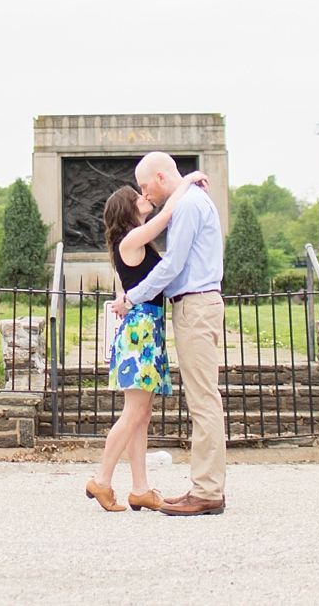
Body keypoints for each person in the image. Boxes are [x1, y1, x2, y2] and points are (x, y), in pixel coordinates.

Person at [113, 150, 226, 515]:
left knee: (203, 401)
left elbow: (173, 265)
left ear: (161, 177)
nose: (145, 194)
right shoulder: (187, 202)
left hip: (196, 305)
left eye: (146, 185)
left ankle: (207, 492)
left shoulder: (189, 206)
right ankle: (203, 486)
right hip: (192, 305)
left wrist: (133, 297)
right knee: (201, 399)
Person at [83, 178, 201, 511]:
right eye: (139, 196)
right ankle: (102, 480)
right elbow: (167, 216)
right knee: (134, 412)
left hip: (146, 329)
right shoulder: (131, 238)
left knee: (141, 414)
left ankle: (139, 488)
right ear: (128, 208)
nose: (145, 196)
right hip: (141, 334)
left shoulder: (133, 241)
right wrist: (188, 180)